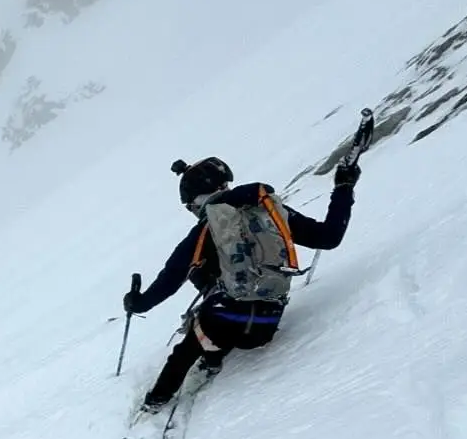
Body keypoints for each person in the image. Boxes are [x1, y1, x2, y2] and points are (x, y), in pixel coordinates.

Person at [122, 154, 359, 411]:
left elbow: (169, 281)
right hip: (267, 323)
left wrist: (136, 303)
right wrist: (343, 187)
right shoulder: (270, 212)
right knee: (225, 311)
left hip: (222, 321)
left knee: (188, 347)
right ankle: (214, 348)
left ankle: (157, 400)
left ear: (196, 201)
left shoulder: (205, 228)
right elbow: (329, 237)